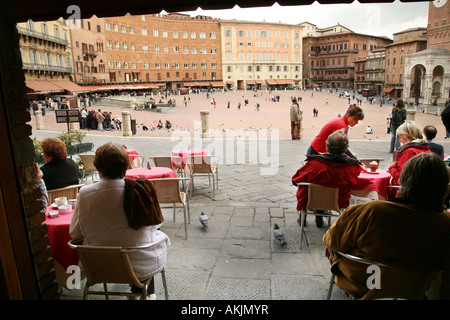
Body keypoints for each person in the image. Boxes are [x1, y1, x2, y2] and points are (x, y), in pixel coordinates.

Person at [323, 153, 450, 299]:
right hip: (415, 286)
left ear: (404, 180)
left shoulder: (373, 211)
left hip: (368, 282)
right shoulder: (445, 221)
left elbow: (332, 240)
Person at [70, 143, 169, 300]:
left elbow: (75, 233)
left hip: (99, 267)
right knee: (153, 238)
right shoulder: (140, 189)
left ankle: (139, 293)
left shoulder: (84, 194)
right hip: (141, 265)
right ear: (126, 165)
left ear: (98, 167)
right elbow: (155, 224)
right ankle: (144, 292)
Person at [292, 131, 362, 228]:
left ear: (327, 146)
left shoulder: (314, 165)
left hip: (310, 200)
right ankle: (319, 218)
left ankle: (303, 217)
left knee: (311, 188)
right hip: (338, 202)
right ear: (346, 149)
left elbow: (296, 180)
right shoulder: (352, 168)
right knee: (327, 185)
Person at [388, 121, 431, 188]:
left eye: (401, 137)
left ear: (407, 136)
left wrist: (392, 167)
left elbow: (401, 177)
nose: (400, 140)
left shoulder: (409, 152)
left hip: (403, 190)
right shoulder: (426, 149)